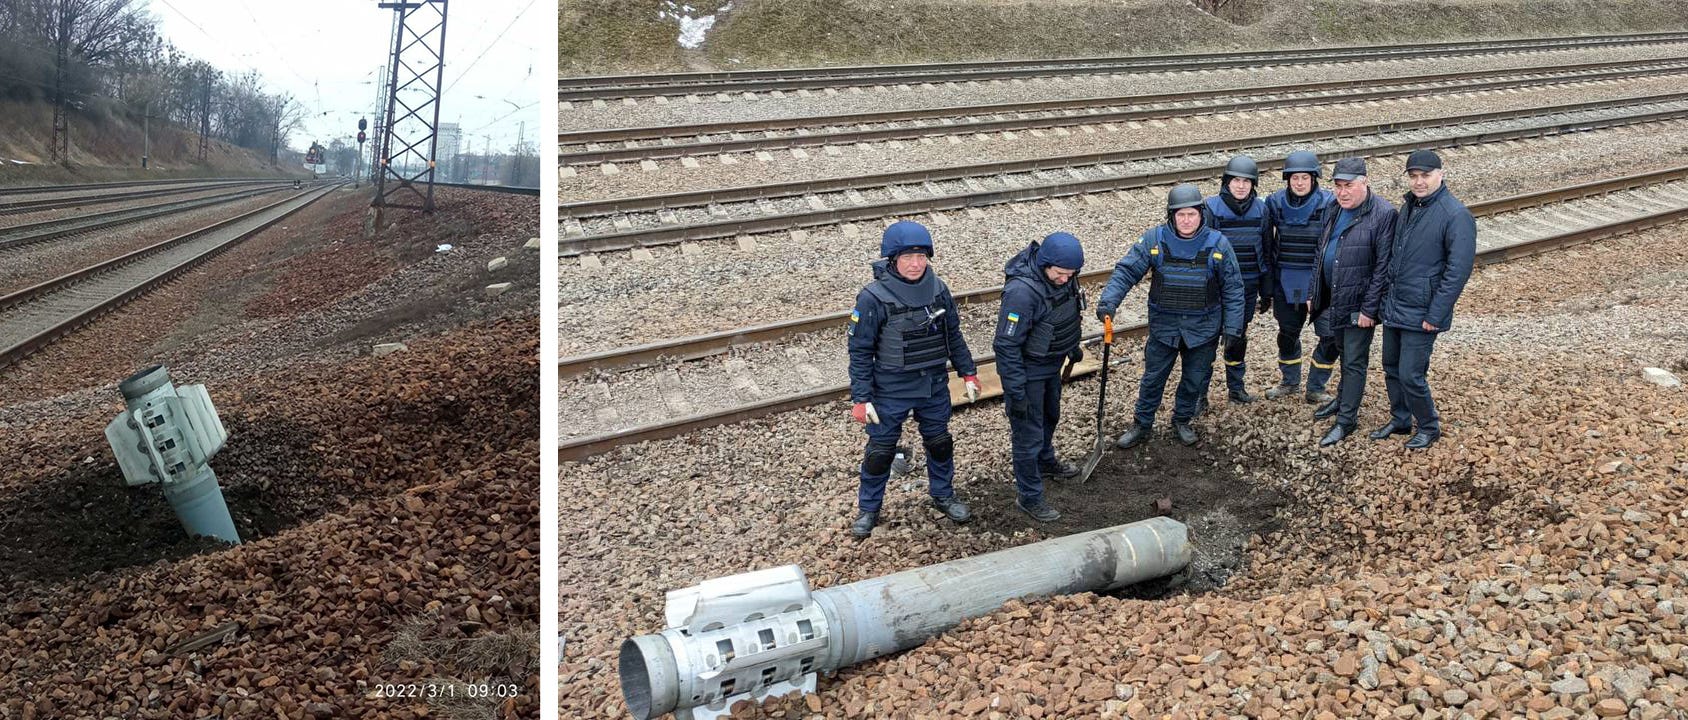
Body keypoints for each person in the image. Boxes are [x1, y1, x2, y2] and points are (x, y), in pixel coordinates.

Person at [846, 221, 981, 537]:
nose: (915, 263)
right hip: (890, 389)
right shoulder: (872, 298)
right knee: (880, 452)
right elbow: (860, 350)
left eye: (921, 256)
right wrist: (861, 398)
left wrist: (968, 372)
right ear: (893, 258)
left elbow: (953, 336)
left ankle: (943, 494)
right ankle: (869, 509)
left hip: (933, 384)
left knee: (939, 442)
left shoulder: (939, 290)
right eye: (907, 256)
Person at [1096, 184, 1245, 448]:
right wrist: (1109, 302)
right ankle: (1142, 423)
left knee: (1193, 379)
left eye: (1191, 214)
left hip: (1203, 330)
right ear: (1171, 216)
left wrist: (1233, 328)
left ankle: (1182, 420)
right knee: (1153, 379)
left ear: (1201, 215)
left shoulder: (1219, 244)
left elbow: (1233, 288)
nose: (1186, 220)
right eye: (1180, 215)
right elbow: (1127, 271)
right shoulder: (1154, 240)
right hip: (1164, 327)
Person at [1377, 150, 1475, 449]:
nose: (1419, 182)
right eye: (1414, 176)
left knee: (1411, 373)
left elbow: (1457, 271)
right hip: (1397, 303)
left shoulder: (1455, 215)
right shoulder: (1409, 206)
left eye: (1425, 175)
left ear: (1440, 175)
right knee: (1391, 366)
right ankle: (1401, 418)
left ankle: (1429, 425)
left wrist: (1436, 314)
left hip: (1422, 310)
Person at [994, 232, 1086, 523]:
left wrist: (1071, 346)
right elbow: (1006, 345)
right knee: (1027, 435)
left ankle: (1046, 462)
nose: (1065, 279)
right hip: (1028, 372)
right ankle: (1029, 496)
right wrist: (1016, 393)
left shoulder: (1065, 276)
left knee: (1050, 416)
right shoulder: (1022, 293)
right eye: (1060, 274)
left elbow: (1065, 313)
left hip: (1051, 365)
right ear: (1045, 264)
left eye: (1070, 274)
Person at [1307, 158, 1397, 446]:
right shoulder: (1333, 208)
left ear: (1365, 182)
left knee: (1355, 361)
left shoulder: (1383, 214)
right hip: (1334, 297)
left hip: (1359, 304)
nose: (1343, 192)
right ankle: (1342, 400)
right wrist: (1313, 292)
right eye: (1338, 186)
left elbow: (1383, 268)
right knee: (1342, 351)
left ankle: (1346, 420)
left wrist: (1369, 310)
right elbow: (1320, 252)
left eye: (1349, 186)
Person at [1263, 150, 1340, 405]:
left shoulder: (1330, 203)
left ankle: (1316, 387)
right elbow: (1263, 239)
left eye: (1304, 177)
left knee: (1330, 337)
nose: (1299, 183)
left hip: (1321, 281)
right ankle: (1289, 382)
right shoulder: (1273, 203)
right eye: (1294, 177)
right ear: (1287, 179)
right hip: (1287, 280)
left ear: (1314, 179)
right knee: (1287, 334)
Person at [1202, 155, 1272, 404]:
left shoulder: (1262, 210)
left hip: (1248, 287)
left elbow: (1266, 250)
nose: (1241, 186)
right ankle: (1200, 393)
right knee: (1207, 343)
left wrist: (1267, 290)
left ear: (1253, 184)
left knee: (1237, 338)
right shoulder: (1210, 208)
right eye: (1236, 180)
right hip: (1217, 288)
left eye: (1246, 181)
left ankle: (1236, 388)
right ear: (1226, 182)